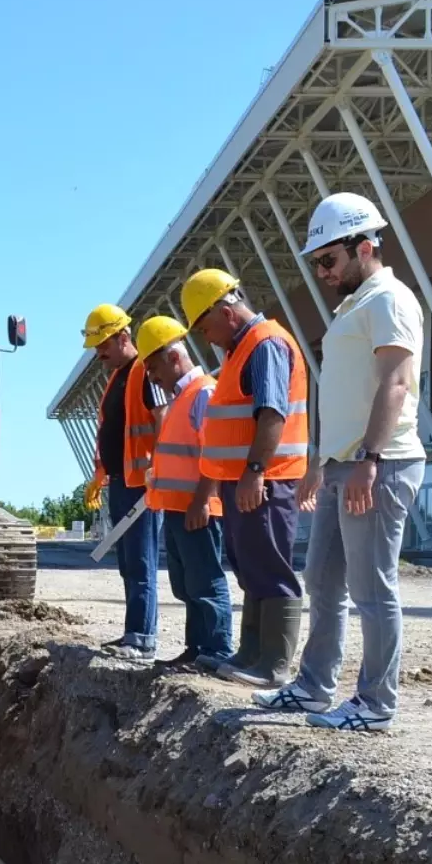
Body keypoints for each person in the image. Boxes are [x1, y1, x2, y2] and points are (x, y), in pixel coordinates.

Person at [251, 192, 426, 733]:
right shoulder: (355, 305)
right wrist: (323, 462)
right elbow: (349, 394)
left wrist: (369, 460)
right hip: (343, 465)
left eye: (328, 260)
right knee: (323, 580)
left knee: (373, 589)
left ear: (364, 246)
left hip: (380, 464)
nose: (322, 272)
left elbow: (395, 383)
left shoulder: (389, 300)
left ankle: (375, 704)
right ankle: (313, 688)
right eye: (317, 263)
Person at [179, 268, 309, 688]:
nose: (205, 337)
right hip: (244, 481)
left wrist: (255, 471)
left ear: (227, 311)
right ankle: (252, 654)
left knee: (270, 567)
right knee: (251, 567)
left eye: (205, 325)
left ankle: (273, 664)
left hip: (264, 480)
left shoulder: (265, 343)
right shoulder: (241, 350)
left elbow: (272, 413)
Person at [136, 315, 233, 670]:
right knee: (187, 583)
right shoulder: (180, 398)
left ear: (174, 357)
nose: (152, 378)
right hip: (178, 508)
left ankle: (217, 652)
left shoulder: (203, 393)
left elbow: (215, 452)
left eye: (154, 368)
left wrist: (201, 500)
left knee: (205, 581)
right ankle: (197, 648)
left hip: (197, 507)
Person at [81, 303, 168, 661]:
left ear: (122, 336)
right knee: (129, 563)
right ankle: (134, 632)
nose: (99, 353)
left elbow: (164, 419)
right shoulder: (118, 377)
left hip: (142, 484)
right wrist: (101, 474)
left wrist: (160, 471)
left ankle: (143, 638)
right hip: (122, 481)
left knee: (141, 560)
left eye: (103, 344)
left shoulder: (145, 371)